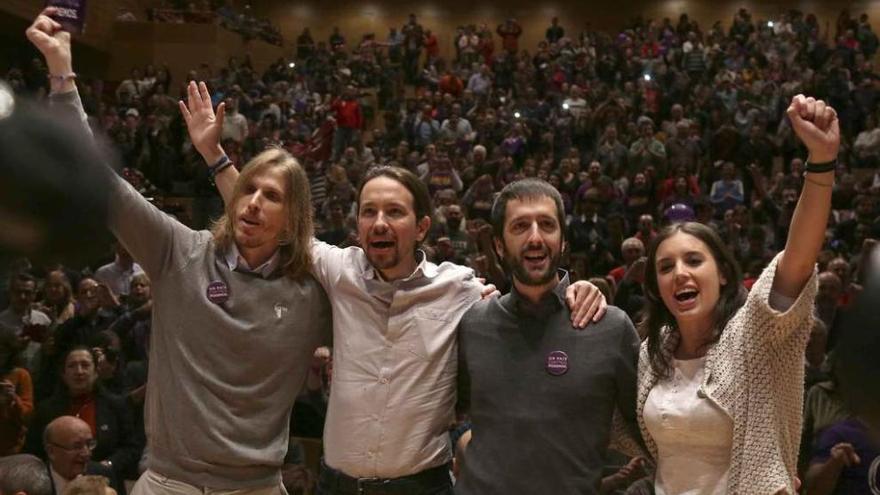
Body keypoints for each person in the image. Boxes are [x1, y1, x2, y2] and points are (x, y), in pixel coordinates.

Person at [182, 78, 608, 495]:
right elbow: (268, 218)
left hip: (422, 486)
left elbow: (527, 300)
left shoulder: (459, 289)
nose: (380, 223)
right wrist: (214, 154)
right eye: (369, 212)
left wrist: (577, 289)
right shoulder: (338, 268)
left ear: (421, 226)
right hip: (338, 485)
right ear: (358, 225)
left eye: (394, 212)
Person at [27, 10, 332, 495]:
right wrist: (62, 72)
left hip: (258, 486)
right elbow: (97, 180)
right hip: (170, 483)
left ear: (294, 218)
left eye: (272, 196)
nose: (253, 202)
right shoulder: (179, 251)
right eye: (248, 188)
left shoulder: (316, 289)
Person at [637, 94, 840, 493]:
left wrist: (821, 162)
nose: (680, 274)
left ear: (724, 275)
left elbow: (797, 262)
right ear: (656, 288)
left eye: (694, 261)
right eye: (666, 267)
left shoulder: (754, 335)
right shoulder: (652, 353)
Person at [455, 179, 645, 494]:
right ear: (499, 245)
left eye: (546, 225)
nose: (535, 238)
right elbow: (454, 411)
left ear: (563, 241)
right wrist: (464, 443)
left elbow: (652, 429)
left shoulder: (610, 326)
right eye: (519, 226)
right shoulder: (473, 322)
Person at [26, 347, 138, 493]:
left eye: (85, 365)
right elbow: (33, 452)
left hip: (104, 481)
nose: (79, 372)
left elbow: (131, 447)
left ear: (96, 371)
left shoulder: (116, 405)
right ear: (63, 374)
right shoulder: (46, 410)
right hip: (54, 484)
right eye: (72, 366)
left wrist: (108, 465)